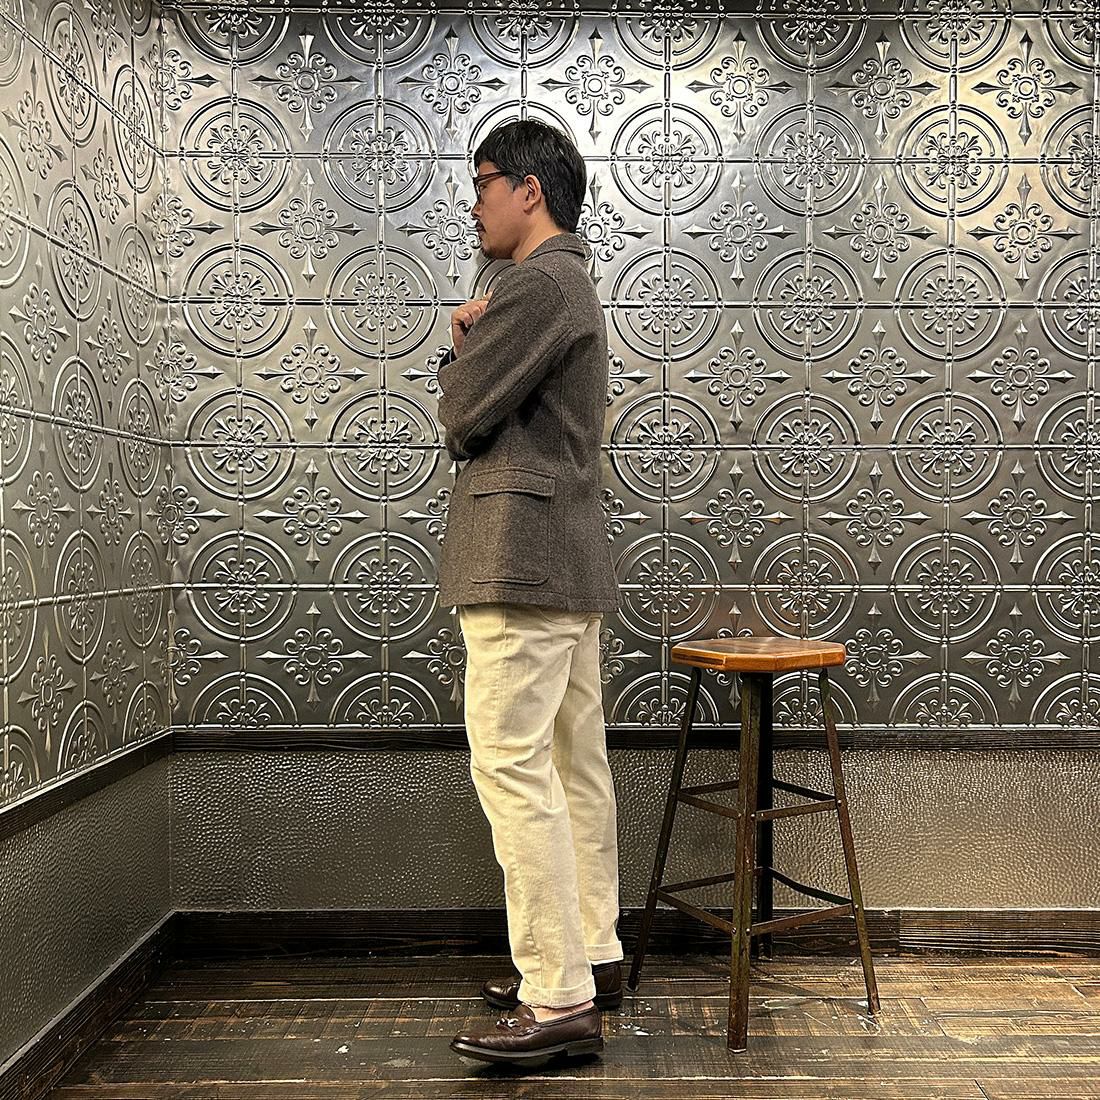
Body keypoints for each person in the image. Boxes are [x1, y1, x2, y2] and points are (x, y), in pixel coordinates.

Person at [435, 118, 622, 1067]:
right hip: (566, 561)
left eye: (482, 186)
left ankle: (557, 998)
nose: (474, 206)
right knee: (572, 766)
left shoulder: (536, 283)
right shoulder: (568, 284)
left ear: (528, 191)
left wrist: (459, 347)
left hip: (519, 558)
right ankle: (591, 955)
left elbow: (463, 414)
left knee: (513, 768)